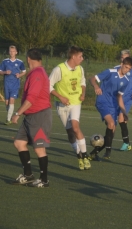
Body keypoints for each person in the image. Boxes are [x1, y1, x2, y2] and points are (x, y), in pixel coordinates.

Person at [11, 48, 52, 188]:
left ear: (28, 59)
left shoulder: (37, 73)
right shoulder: (36, 72)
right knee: (19, 142)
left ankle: (44, 180)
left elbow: (31, 98)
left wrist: (17, 113)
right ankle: (28, 175)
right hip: (30, 115)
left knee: (39, 149)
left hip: (39, 115)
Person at [49, 46, 91, 171]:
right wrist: (60, 97)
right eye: (80, 56)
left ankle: (85, 156)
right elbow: (48, 85)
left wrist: (83, 93)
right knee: (70, 132)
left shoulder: (80, 68)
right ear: (73, 57)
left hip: (75, 103)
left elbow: (82, 82)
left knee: (75, 127)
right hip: (62, 106)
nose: (82, 59)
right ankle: (79, 156)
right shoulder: (59, 69)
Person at [88, 57, 132, 160]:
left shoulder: (126, 81)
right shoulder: (110, 72)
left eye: (129, 69)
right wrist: (96, 86)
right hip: (102, 101)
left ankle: (93, 154)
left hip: (113, 106)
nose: (127, 70)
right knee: (111, 123)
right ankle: (108, 152)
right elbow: (92, 79)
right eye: (126, 67)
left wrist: (124, 112)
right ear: (121, 64)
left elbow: (119, 97)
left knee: (111, 132)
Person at [114, 50, 132, 151]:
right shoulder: (115, 69)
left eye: (126, 58)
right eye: (122, 58)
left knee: (121, 118)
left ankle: (126, 144)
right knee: (115, 121)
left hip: (128, 99)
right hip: (117, 98)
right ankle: (126, 142)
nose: (124, 60)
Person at [0, 45, 26, 125]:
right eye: (10, 51)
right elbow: (0, 71)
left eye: (13, 51)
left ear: (16, 52)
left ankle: (8, 119)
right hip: (7, 84)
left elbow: (24, 71)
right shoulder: (5, 61)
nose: (11, 53)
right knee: (7, 102)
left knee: (12, 100)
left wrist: (19, 75)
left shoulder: (20, 62)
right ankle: (10, 117)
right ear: (9, 52)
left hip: (15, 84)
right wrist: (5, 72)